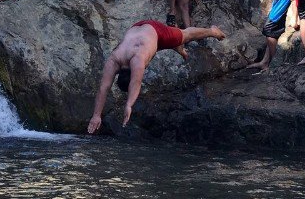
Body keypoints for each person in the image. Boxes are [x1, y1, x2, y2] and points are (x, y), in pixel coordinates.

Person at [87, 20, 226, 133]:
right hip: (137, 28)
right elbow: (103, 87)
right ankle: (176, 46)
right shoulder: (115, 58)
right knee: (151, 48)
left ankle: (212, 31)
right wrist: (96, 115)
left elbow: (136, 82)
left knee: (186, 34)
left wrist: (129, 105)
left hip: (155, 29)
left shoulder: (137, 60)